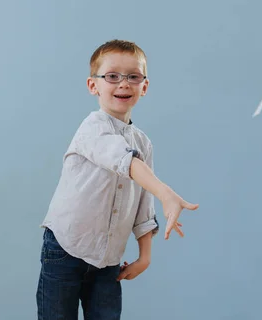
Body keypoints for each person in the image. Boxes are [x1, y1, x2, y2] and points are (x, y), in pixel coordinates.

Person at [36, 39, 199, 320]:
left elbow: (142, 206)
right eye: (112, 76)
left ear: (144, 87)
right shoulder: (91, 129)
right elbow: (124, 161)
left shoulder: (143, 144)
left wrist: (145, 256)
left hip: (108, 260)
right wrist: (166, 193)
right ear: (93, 86)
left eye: (133, 77)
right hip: (65, 248)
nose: (123, 84)